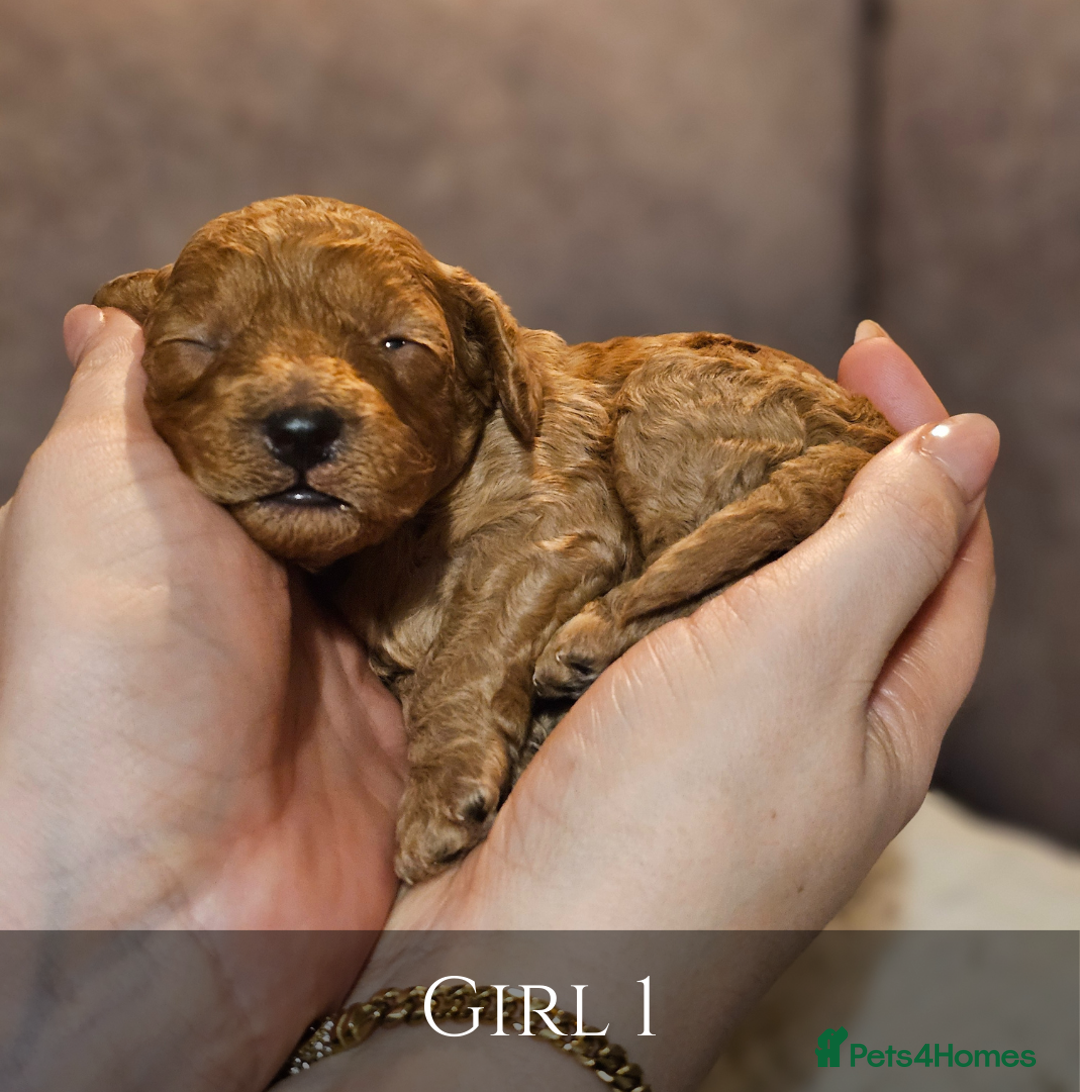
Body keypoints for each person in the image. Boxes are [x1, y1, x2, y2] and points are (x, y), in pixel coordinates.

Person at [0, 307, 997, 1092]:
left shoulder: (525, 459)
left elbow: (555, 547)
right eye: (201, 344)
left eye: (398, 346)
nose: (304, 411)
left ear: (491, 363)